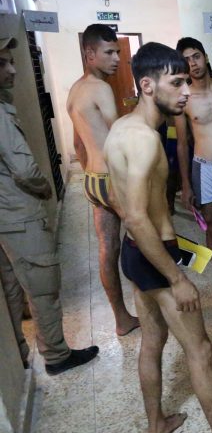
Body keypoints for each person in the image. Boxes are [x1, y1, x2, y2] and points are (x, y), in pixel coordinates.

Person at [103, 41, 212, 433]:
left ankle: (157, 425)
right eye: (175, 82)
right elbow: (138, 216)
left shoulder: (122, 129)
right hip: (153, 252)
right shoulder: (143, 140)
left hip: (135, 252)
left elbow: (116, 197)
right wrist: (176, 277)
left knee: (153, 341)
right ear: (146, 85)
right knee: (200, 348)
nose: (185, 91)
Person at [1, 36, 99, 375]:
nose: (12, 70)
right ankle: (56, 355)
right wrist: (44, 189)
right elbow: (25, 169)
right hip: (18, 216)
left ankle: (20, 354)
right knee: (43, 290)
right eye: (3, 64)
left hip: (5, 218)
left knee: (13, 288)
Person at [66, 24, 140, 336]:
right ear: (90, 54)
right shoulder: (101, 89)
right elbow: (120, 139)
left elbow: (78, 145)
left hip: (93, 180)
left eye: (118, 53)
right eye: (109, 52)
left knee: (107, 249)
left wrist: (89, 174)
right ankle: (152, 306)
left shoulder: (75, 89)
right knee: (143, 239)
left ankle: (122, 319)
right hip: (111, 181)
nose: (116, 59)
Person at [174, 37, 212, 299]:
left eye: (196, 56)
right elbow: (183, 144)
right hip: (204, 167)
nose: (193, 63)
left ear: (206, 57)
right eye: (186, 60)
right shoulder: (184, 99)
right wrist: (185, 184)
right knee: (211, 224)